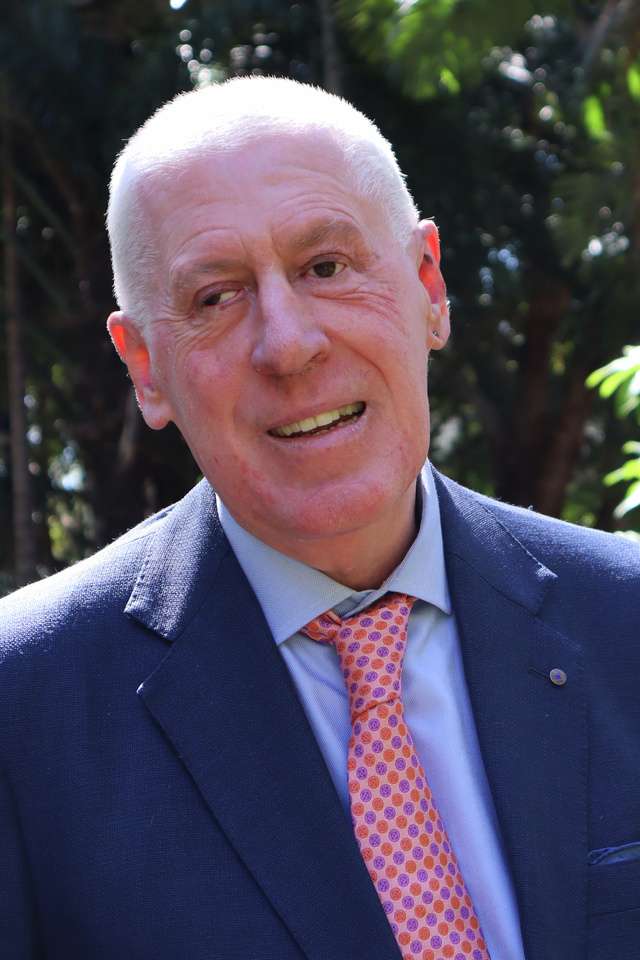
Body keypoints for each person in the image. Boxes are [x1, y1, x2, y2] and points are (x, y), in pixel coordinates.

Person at [0, 77, 638, 960]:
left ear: (428, 286)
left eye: (326, 267)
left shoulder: (626, 621)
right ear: (145, 366)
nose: (290, 344)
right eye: (216, 297)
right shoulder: (25, 711)